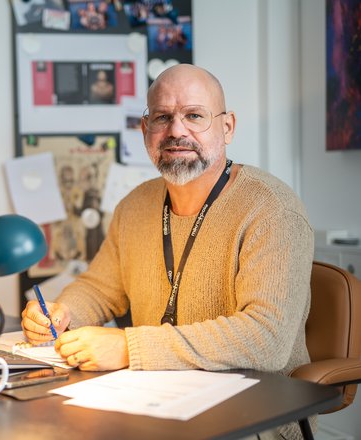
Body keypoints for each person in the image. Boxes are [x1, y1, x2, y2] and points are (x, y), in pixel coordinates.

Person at [21, 64, 314, 438]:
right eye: (163, 117)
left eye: (194, 115)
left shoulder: (271, 208)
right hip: (154, 401)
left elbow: (266, 338)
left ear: (227, 127)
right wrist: (63, 313)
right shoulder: (135, 206)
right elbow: (98, 287)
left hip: (253, 416)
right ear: (146, 130)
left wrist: (130, 348)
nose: (177, 131)